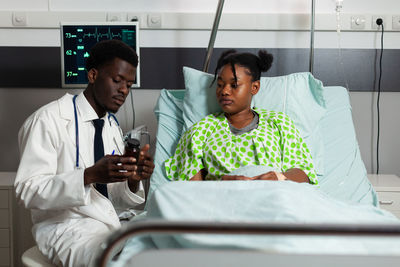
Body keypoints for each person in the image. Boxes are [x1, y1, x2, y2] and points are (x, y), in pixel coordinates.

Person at [15, 39, 155, 266]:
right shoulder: (48, 120)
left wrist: (131, 179)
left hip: (108, 223)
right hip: (66, 228)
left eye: (129, 85)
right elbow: (27, 190)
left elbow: (110, 197)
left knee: (161, 247)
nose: (123, 90)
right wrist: (88, 175)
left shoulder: (110, 125)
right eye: (117, 80)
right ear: (92, 75)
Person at [165, 49, 318, 184]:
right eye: (219, 85)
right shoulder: (200, 131)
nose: (224, 91)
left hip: (274, 198)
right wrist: (220, 184)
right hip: (222, 203)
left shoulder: (279, 123)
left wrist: (277, 177)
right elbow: (190, 192)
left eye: (234, 85)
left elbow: (303, 173)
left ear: (254, 87)